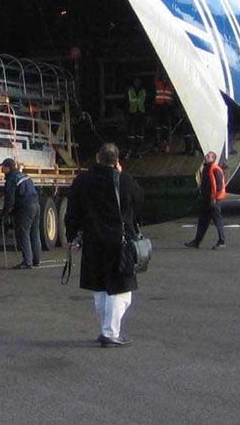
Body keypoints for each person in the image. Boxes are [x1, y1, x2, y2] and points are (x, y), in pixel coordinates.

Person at [64, 142, 144, 347]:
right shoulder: (124, 181)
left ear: (97, 158)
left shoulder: (82, 181)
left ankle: (106, 328)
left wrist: (72, 235)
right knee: (121, 291)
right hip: (119, 242)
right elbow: (139, 200)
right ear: (117, 161)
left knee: (99, 288)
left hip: (93, 242)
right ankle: (110, 333)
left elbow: (72, 212)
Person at [0, 157, 41, 269]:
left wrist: (6, 213)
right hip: (36, 205)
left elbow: (10, 198)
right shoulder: (24, 175)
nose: (1, 169)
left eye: (2, 167)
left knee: (24, 233)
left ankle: (27, 262)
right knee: (34, 233)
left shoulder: (11, 179)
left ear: (8, 167)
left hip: (25, 207)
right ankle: (36, 260)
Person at [185, 151, 227, 250]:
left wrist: (215, 199)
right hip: (206, 199)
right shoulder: (206, 168)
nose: (206, 157)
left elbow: (220, 186)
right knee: (203, 221)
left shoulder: (215, 169)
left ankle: (222, 241)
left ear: (213, 159)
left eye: (209, 156)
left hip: (213, 200)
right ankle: (197, 241)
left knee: (217, 220)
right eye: (207, 155)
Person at [125, 78, 147, 150]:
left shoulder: (143, 90)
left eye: (138, 82)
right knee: (132, 130)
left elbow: (143, 100)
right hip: (132, 112)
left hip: (141, 112)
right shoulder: (130, 90)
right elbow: (129, 100)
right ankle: (131, 147)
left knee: (140, 130)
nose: (137, 83)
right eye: (136, 81)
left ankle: (139, 148)